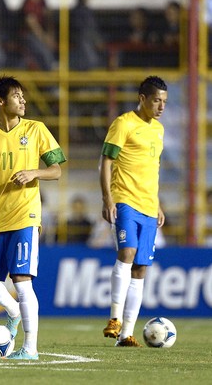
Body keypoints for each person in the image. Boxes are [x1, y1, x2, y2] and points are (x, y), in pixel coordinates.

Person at [0, 76, 66, 360]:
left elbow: (57, 170)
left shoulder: (36, 129)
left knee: (21, 280)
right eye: (17, 96)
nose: (23, 100)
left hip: (25, 216)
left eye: (23, 96)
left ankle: (30, 349)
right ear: (0, 101)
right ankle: (13, 311)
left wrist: (34, 173)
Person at [100, 76, 167, 347]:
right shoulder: (124, 123)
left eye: (164, 102)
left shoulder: (159, 130)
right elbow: (106, 161)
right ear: (142, 98)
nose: (161, 106)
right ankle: (114, 318)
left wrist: (159, 203)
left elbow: (152, 169)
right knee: (126, 253)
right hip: (125, 199)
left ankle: (126, 334)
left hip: (149, 207)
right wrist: (107, 199)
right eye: (156, 101)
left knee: (141, 269)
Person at [22, 0, 56, 70]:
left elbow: (49, 18)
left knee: (50, 50)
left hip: (42, 35)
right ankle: (49, 76)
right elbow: (32, 23)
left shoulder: (42, 1)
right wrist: (44, 38)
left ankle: (52, 70)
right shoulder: (28, 2)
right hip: (29, 35)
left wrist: (50, 36)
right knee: (44, 52)